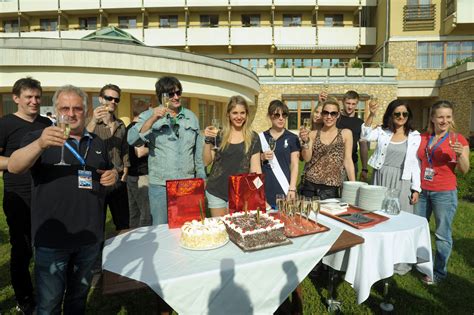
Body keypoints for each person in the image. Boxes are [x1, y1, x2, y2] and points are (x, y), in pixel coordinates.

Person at [8, 85, 118, 314]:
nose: (71, 113)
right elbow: (14, 166)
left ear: (86, 112)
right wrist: (39, 144)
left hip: (88, 237)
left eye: (77, 108)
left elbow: (105, 174)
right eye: (64, 108)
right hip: (53, 240)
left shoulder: (96, 143)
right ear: (55, 111)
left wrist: (113, 175)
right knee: (48, 304)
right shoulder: (39, 137)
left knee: (77, 300)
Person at [0, 77, 51, 314]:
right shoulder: (6, 124)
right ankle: (24, 299)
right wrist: (17, 162)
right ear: (16, 98)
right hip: (17, 194)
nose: (34, 101)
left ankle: (47, 290)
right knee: (22, 249)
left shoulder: (45, 122)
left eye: (37, 97)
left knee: (45, 245)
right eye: (29, 97)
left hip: (45, 193)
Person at [127, 76, 206, 225]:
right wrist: (152, 119)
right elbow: (132, 140)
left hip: (186, 183)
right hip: (160, 186)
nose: (176, 97)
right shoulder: (149, 115)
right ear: (162, 96)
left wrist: (201, 178)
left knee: (188, 226)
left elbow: (198, 154)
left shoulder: (191, 117)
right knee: (161, 229)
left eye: (178, 92)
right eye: (171, 94)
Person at [416, 100, 470, 285]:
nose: (444, 120)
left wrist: (460, 154)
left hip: (444, 193)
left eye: (448, 117)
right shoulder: (423, 137)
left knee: (442, 234)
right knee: (419, 229)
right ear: (432, 118)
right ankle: (421, 264)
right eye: (440, 116)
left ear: (451, 118)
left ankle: (439, 272)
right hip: (422, 192)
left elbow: (465, 170)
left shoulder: (458, 139)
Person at [204, 95, 262, 217]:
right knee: (220, 230)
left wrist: (259, 194)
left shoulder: (253, 137)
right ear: (228, 115)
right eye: (235, 113)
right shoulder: (219, 135)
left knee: (236, 229)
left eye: (242, 113)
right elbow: (206, 161)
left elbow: (256, 170)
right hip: (217, 191)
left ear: (247, 114)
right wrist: (207, 141)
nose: (239, 117)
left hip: (240, 193)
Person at [361, 99, 421, 213]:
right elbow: (365, 136)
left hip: (402, 179)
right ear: (391, 115)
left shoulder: (415, 136)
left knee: (401, 212)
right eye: (397, 114)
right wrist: (371, 115)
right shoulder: (382, 131)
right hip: (381, 175)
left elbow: (415, 164)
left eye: (405, 114)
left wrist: (416, 189)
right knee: (378, 211)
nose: (401, 117)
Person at [87, 84, 130, 230]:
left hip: (117, 179)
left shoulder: (120, 124)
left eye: (116, 99)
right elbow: (82, 141)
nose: (113, 101)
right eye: (108, 98)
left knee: (123, 224)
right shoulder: (89, 121)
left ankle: (123, 252)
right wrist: (93, 121)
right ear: (100, 99)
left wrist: (125, 171)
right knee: (97, 225)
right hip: (97, 179)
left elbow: (124, 149)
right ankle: (98, 253)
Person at [300, 99, 355, 199]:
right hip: (310, 186)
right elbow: (307, 159)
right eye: (326, 113)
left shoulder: (346, 133)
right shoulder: (313, 134)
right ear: (322, 114)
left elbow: (348, 160)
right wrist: (305, 142)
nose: (329, 117)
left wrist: (353, 186)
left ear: (338, 115)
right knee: (307, 214)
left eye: (333, 113)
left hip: (331, 188)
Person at [259, 100, 300, 207]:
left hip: (284, 189)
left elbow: (295, 165)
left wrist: (292, 188)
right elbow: (252, 165)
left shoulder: (292, 138)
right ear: (270, 116)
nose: (281, 118)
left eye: (284, 115)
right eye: (277, 115)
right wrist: (262, 157)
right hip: (264, 190)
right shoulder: (260, 138)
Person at [126, 100, 152, 228]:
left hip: (131, 175)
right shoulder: (138, 129)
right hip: (141, 176)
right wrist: (156, 149)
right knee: (146, 214)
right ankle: (144, 242)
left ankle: (133, 242)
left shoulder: (128, 127)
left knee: (134, 213)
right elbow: (140, 152)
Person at [336, 90, 369, 181]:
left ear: (357, 104)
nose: (350, 106)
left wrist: (364, 169)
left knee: (349, 193)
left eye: (353, 104)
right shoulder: (335, 119)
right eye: (348, 103)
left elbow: (363, 146)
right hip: (334, 163)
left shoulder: (360, 123)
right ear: (343, 102)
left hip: (352, 163)